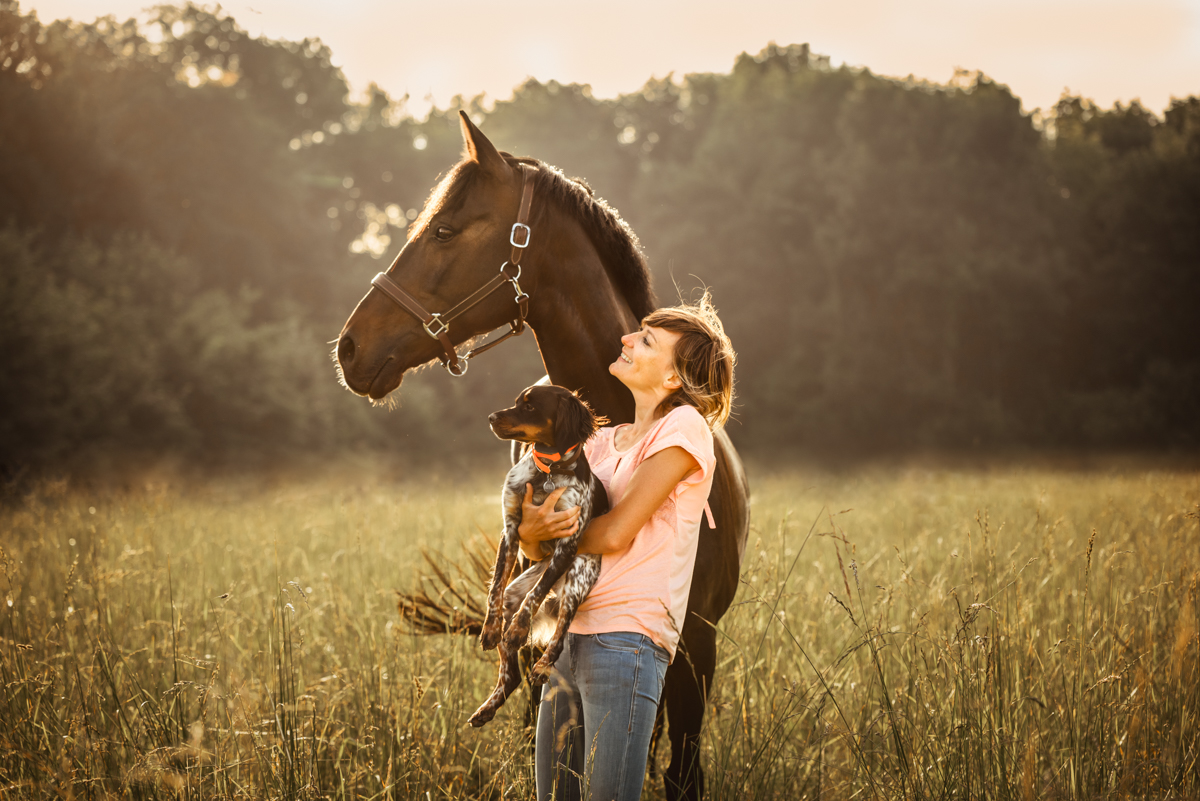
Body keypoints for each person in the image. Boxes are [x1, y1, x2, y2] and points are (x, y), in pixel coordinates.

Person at [516, 293, 736, 801]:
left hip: (627, 642)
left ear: (673, 379)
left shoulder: (684, 428)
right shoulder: (600, 441)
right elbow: (542, 545)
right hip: (569, 638)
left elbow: (615, 533)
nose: (626, 339)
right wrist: (530, 536)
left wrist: (544, 536)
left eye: (646, 340)